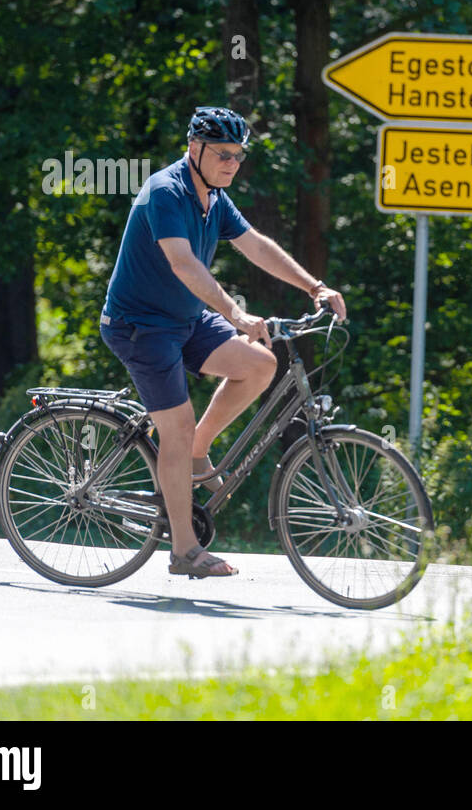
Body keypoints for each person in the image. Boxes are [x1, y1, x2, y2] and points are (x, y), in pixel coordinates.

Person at [99, 106, 346, 578]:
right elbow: (184, 264)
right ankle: (184, 552)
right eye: (223, 154)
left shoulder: (214, 196)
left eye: (239, 155)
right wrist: (235, 313)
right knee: (176, 424)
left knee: (258, 363)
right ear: (194, 149)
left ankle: (194, 452)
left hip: (185, 320)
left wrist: (314, 287)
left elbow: (255, 244)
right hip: (140, 326)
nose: (233, 163)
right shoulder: (165, 193)